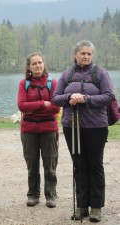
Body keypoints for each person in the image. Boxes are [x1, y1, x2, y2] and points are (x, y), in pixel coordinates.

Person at [52, 40, 114, 222]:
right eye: (82, 53)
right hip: (72, 126)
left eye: (89, 54)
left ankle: (96, 207)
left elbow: (109, 96)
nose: (86, 56)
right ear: (75, 55)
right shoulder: (67, 74)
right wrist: (70, 97)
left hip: (96, 127)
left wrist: (85, 99)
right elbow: (55, 98)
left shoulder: (100, 73)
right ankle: (81, 206)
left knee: (95, 165)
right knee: (79, 166)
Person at [17, 52, 60, 208]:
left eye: (40, 62)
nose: (38, 66)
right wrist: (43, 104)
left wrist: (32, 108)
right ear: (29, 66)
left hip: (49, 129)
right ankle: (33, 195)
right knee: (32, 165)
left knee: (50, 164)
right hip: (28, 130)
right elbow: (21, 106)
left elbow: (55, 107)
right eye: (34, 63)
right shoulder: (24, 84)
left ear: (44, 64)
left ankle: (51, 196)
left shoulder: (52, 83)